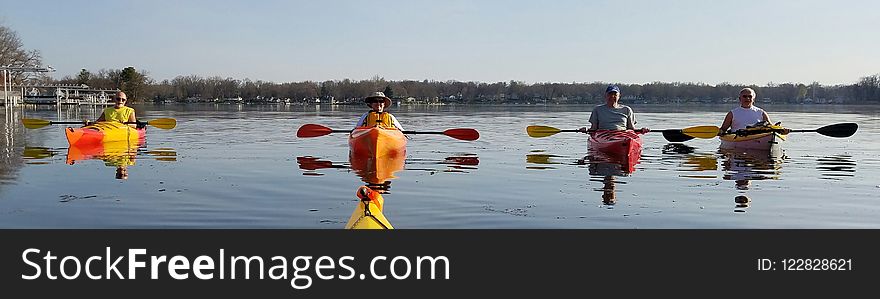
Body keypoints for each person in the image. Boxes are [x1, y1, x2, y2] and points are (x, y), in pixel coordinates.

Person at [579, 85, 648, 133]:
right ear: (605, 96)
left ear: (619, 96)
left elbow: (631, 129)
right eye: (610, 94)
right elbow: (593, 129)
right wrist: (586, 130)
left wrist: (642, 130)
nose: (612, 96)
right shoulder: (597, 110)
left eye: (615, 94)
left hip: (623, 135)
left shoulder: (627, 109)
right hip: (604, 136)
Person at [719, 87, 788, 134]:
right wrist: (720, 132)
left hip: (758, 137)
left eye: (750, 96)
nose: (747, 98)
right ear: (740, 99)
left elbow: (771, 127)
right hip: (738, 137)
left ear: (753, 99)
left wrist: (781, 131)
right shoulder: (732, 114)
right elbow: (723, 129)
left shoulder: (761, 113)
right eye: (744, 96)